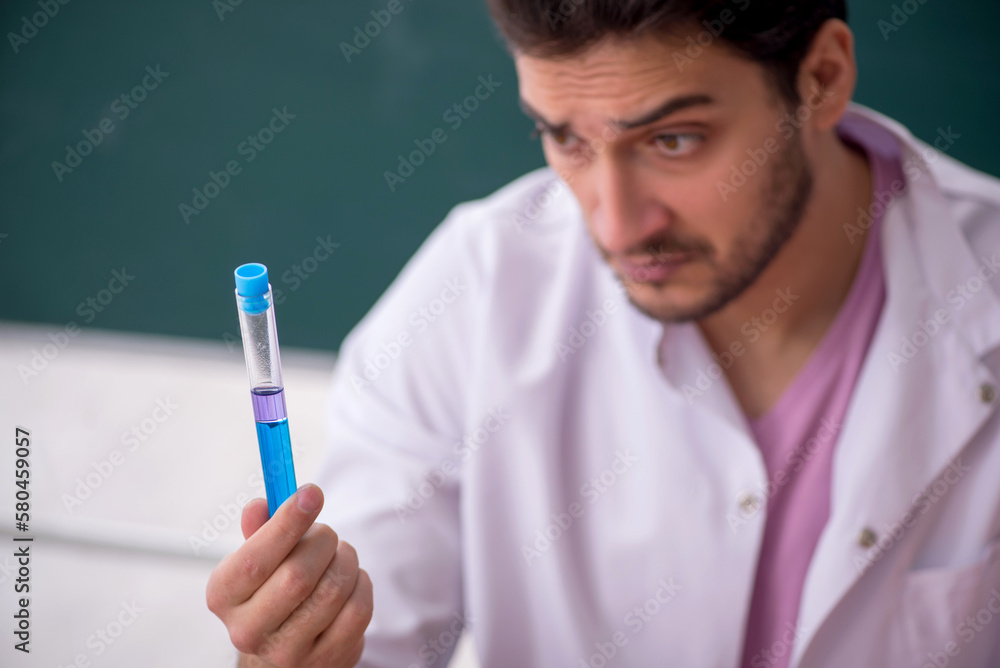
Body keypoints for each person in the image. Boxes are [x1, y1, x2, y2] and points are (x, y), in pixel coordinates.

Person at [207, 1, 1000, 666]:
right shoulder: (473, 296)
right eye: (567, 140)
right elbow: (370, 644)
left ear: (820, 79)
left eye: (673, 140)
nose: (617, 225)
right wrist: (293, 649)